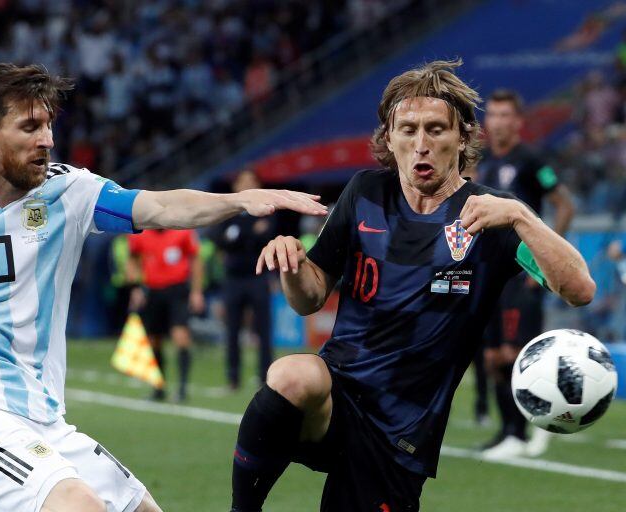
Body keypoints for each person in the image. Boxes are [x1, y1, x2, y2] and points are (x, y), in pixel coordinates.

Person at [0, 63, 327, 512]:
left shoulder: (69, 192)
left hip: (45, 420)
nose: (47, 140)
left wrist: (239, 200)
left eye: (49, 126)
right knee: (80, 506)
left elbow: (160, 208)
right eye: (30, 127)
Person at [228, 59, 595, 512]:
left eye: (436, 130)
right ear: (389, 138)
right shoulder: (364, 193)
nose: (421, 144)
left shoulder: (492, 213)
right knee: (290, 374)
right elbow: (309, 298)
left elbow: (580, 289)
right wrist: (293, 264)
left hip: (400, 433)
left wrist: (521, 215)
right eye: (408, 130)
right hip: (337, 398)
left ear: (462, 137)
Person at [474, 89, 576, 459]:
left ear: (518, 122)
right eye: (494, 115)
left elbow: (564, 206)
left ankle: (534, 427)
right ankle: (508, 432)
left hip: (521, 275)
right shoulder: (481, 162)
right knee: (491, 359)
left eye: (506, 115)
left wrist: (544, 262)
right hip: (489, 275)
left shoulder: (531, 159)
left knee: (516, 354)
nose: (498, 122)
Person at [210, 170, 275, 390]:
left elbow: (268, 236)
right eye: (243, 181)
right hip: (234, 279)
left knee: (264, 330)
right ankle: (233, 378)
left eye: (251, 181)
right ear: (236, 185)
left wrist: (238, 235)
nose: (247, 184)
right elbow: (219, 238)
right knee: (232, 330)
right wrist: (249, 234)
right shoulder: (228, 210)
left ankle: (266, 378)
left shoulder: (268, 208)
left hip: (259, 277)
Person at [127, 228, 203, 401]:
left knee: (181, 336)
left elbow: (196, 259)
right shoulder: (140, 232)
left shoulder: (182, 230)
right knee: (154, 341)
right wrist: (135, 287)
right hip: (152, 292)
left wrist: (197, 291)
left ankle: (183, 389)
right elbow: (132, 259)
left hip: (177, 291)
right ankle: (158, 387)